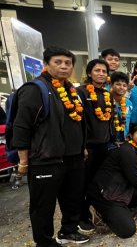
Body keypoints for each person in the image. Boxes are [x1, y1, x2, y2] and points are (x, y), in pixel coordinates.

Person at [11, 46, 89, 246]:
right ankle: (44, 242)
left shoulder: (72, 90)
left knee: (73, 199)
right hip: (46, 159)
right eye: (58, 62)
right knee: (43, 206)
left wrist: (83, 148)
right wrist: (23, 161)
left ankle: (68, 231)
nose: (64, 66)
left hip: (74, 157)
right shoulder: (35, 89)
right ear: (46, 64)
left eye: (68, 63)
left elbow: (78, 122)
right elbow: (22, 127)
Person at [87, 124, 137, 239]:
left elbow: (134, 174)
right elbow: (135, 180)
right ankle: (99, 212)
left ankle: (123, 210)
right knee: (128, 230)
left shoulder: (135, 148)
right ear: (131, 135)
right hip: (107, 194)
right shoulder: (127, 151)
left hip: (123, 187)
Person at [76, 59, 115, 232]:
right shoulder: (81, 92)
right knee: (83, 184)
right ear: (89, 73)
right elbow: (77, 122)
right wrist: (81, 145)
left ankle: (95, 212)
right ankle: (81, 216)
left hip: (104, 146)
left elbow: (109, 121)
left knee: (98, 183)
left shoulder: (107, 94)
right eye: (97, 70)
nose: (101, 73)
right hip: (88, 148)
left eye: (104, 71)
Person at [110, 72, 133, 144]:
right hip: (109, 143)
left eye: (124, 85)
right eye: (118, 84)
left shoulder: (129, 103)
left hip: (124, 141)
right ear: (111, 85)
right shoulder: (105, 100)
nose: (121, 87)